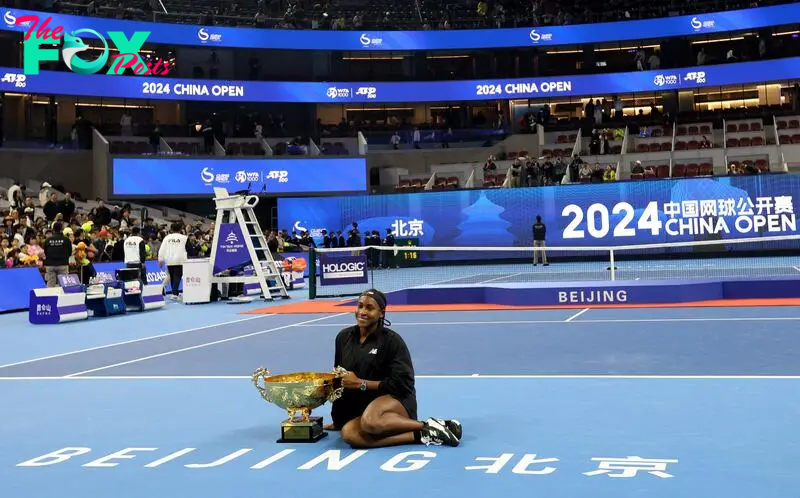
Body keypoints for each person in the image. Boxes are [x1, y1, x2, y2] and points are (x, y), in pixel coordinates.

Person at [326, 289, 462, 448]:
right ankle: (423, 434)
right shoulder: (343, 337)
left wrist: (361, 384)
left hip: (395, 400)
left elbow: (403, 384)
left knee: (371, 421)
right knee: (349, 434)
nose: (362, 312)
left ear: (381, 313)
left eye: (369, 308)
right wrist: (338, 420)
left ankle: (428, 424)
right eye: (360, 306)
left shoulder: (392, 341)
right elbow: (340, 380)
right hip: (362, 407)